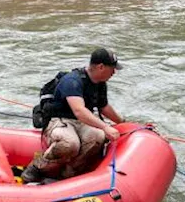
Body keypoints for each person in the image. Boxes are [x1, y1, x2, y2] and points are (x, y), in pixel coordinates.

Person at [22, 48, 126, 183]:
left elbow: (104, 107)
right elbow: (79, 111)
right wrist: (105, 127)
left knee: (98, 137)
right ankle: (37, 167)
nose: (114, 72)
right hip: (60, 120)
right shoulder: (72, 81)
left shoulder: (100, 84)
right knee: (70, 143)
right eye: (112, 68)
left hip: (81, 123)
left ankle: (68, 174)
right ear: (101, 67)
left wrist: (123, 122)